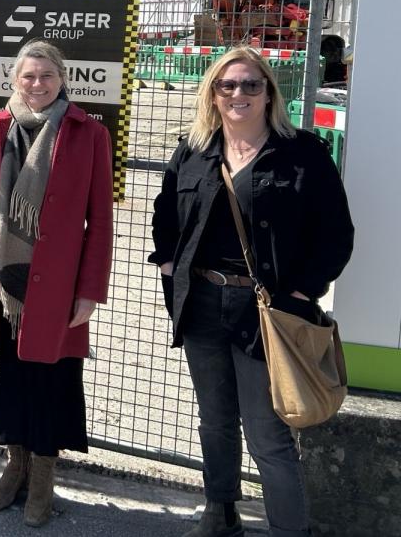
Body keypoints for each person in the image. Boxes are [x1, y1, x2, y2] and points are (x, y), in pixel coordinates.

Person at [150, 45, 353, 537]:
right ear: (213, 94)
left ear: (268, 93)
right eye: (228, 85)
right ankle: (220, 514)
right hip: (201, 304)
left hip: (268, 311)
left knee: (268, 433)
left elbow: (336, 234)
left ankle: (289, 529)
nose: (238, 93)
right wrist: (173, 265)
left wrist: (303, 295)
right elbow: (164, 217)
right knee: (214, 421)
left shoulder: (301, 153)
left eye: (250, 85)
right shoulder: (194, 149)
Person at [0, 39, 113, 527]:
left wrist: (90, 290)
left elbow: (101, 221)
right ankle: (16, 464)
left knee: (52, 378)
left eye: (46, 76)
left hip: (57, 284)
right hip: (4, 280)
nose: (38, 84)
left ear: (62, 78)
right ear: (14, 80)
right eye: (28, 77)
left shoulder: (88, 134)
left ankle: (43, 475)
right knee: (13, 374)